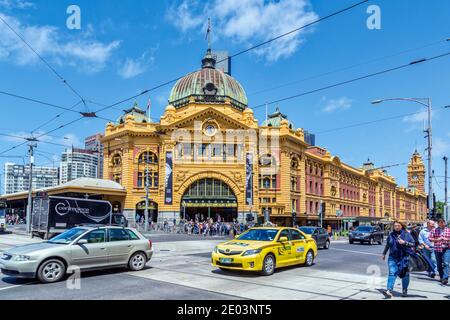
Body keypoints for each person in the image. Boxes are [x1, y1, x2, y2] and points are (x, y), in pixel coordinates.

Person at [382, 220, 416, 298]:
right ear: (393, 226)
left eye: (398, 225)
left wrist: (405, 242)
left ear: (401, 226)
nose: (397, 227)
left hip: (404, 257)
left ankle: (404, 290)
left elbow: (413, 244)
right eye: (395, 226)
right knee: (392, 273)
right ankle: (389, 291)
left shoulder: (407, 234)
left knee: (405, 275)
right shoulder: (391, 235)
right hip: (392, 257)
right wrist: (384, 253)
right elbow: (388, 245)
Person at [429, 218, 450, 285]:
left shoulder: (448, 230)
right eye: (440, 223)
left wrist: (446, 239)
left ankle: (445, 278)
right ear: (438, 223)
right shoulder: (434, 230)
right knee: (439, 264)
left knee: (446, 263)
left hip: (446, 249)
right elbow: (430, 238)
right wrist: (438, 239)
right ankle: (441, 277)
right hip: (437, 249)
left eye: (443, 223)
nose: (442, 224)